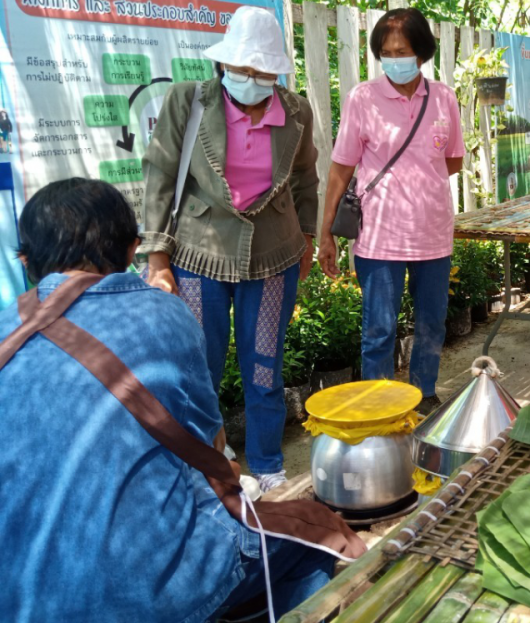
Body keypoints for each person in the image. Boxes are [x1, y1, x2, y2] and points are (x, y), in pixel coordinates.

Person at [0, 178, 364, 622]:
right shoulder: (162, 311)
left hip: (19, 601)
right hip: (153, 594)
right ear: (132, 248)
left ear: (26, 260)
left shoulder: (6, 331)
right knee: (314, 530)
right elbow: (212, 451)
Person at [142, 6, 319, 493]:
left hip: (273, 256)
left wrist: (307, 237)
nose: (251, 80)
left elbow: (305, 179)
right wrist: (157, 258)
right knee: (201, 366)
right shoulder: (188, 101)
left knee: (264, 365)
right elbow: (159, 175)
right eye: (241, 70)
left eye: (262, 72)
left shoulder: (297, 111)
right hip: (200, 255)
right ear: (223, 65)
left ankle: (266, 465)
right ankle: (210, 463)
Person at [317, 8, 464, 414]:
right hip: (378, 240)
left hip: (433, 236)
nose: (394, 59)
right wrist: (325, 230)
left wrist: (417, 179)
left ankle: (424, 394)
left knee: (432, 323)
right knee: (379, 329)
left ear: (421, 52)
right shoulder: (363, 99)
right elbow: (341, 169)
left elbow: (452, 161)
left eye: (402, 50)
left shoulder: (443, 98)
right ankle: (379, 405)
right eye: (386, 52)